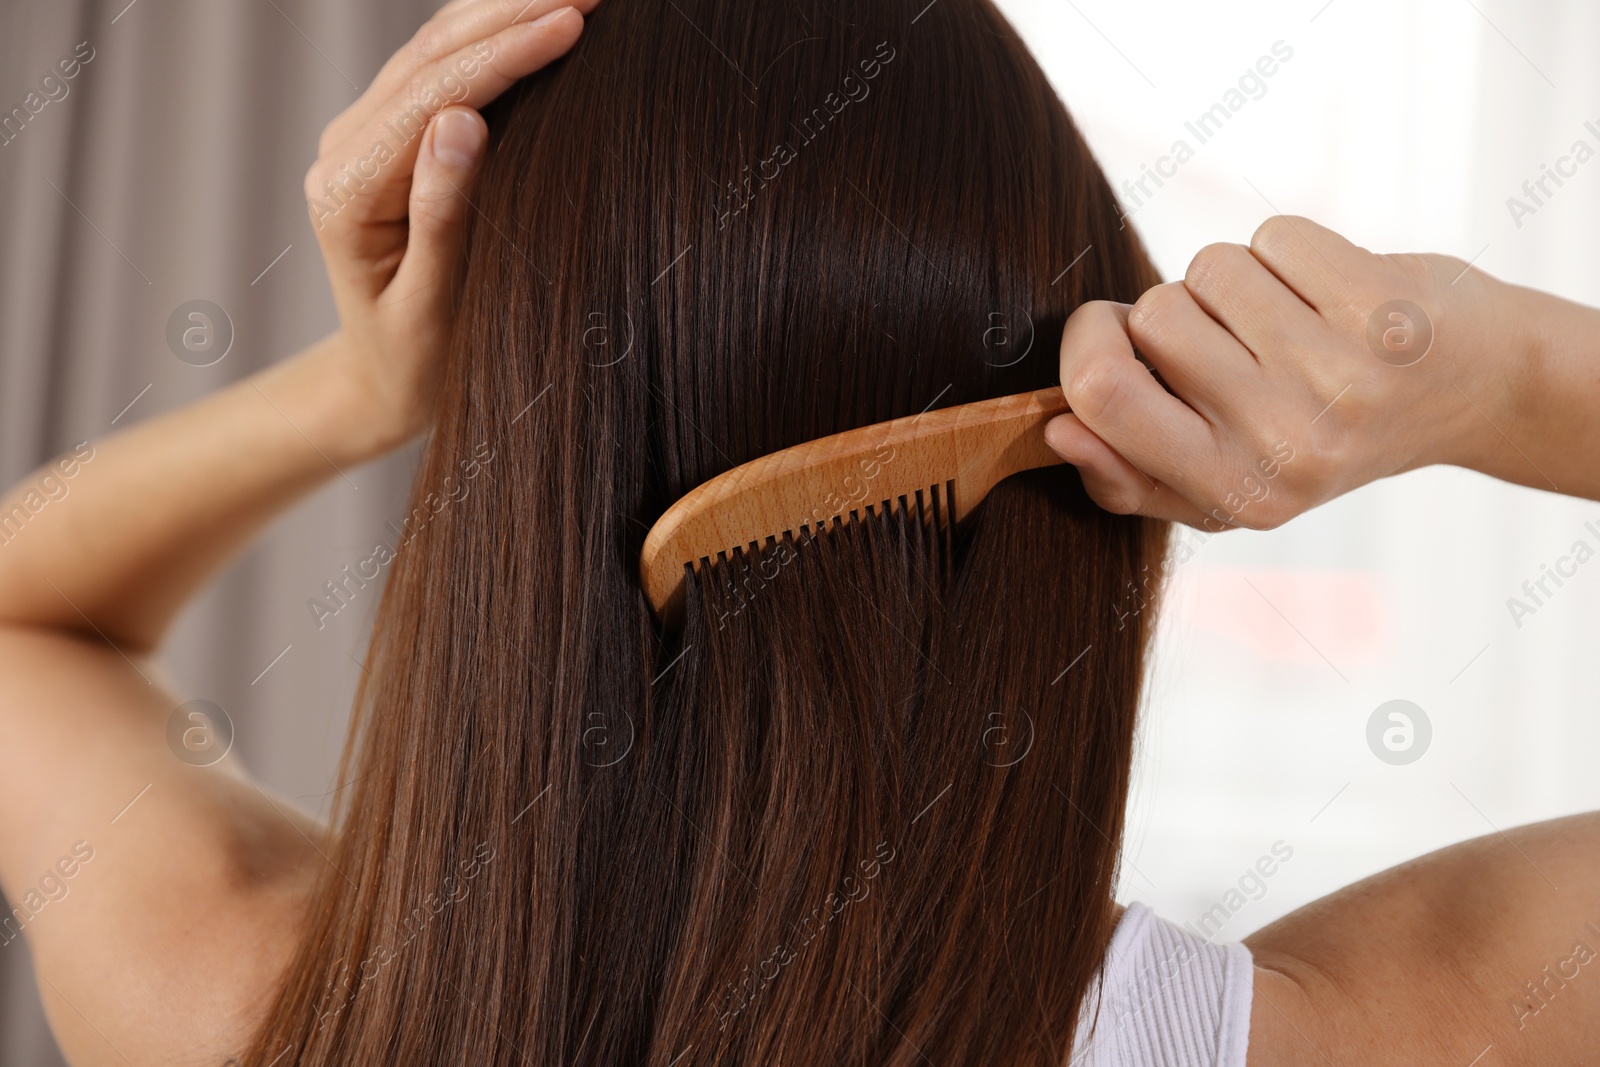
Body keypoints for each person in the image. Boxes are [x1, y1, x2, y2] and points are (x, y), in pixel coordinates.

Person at [0, 2, 1595, 1066]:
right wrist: (1499, 377)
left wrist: (365, 387)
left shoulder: (227, 996)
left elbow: (20, 626)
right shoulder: (1316, 1039)